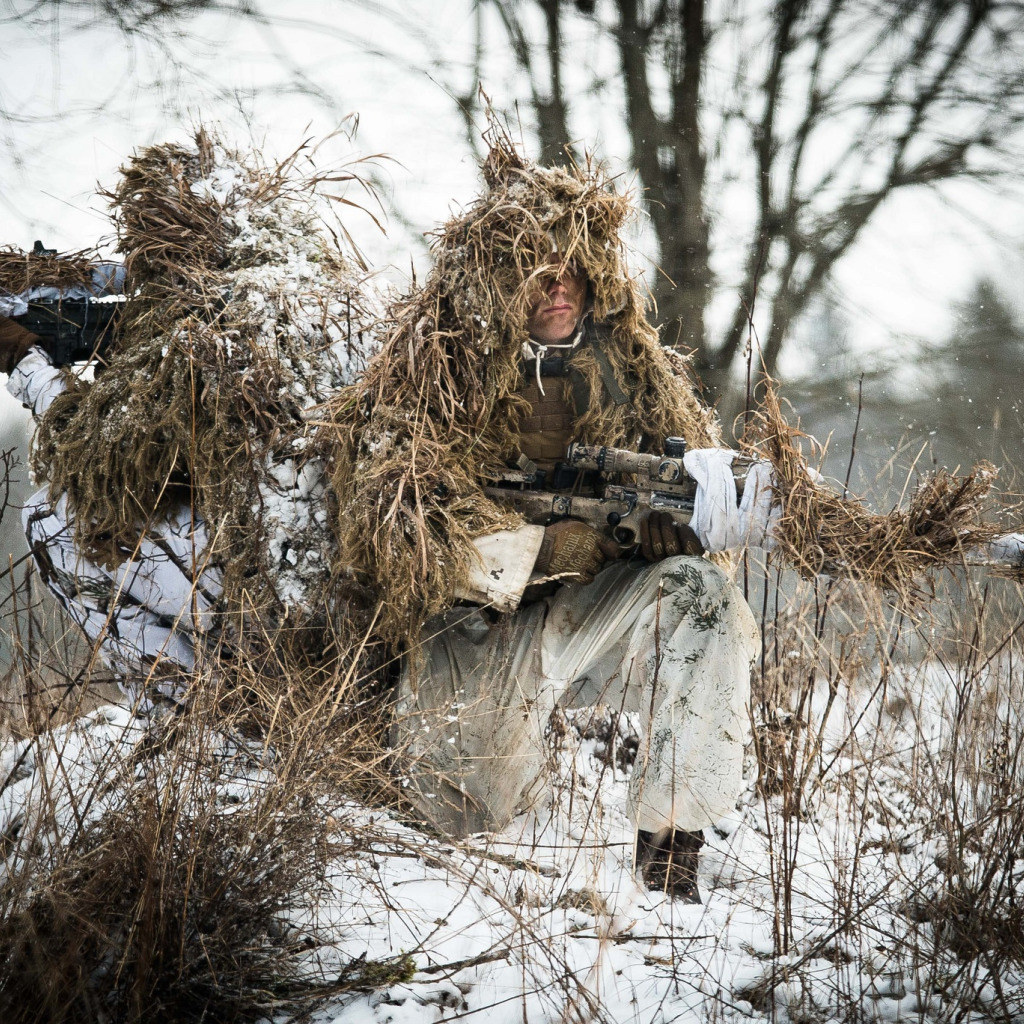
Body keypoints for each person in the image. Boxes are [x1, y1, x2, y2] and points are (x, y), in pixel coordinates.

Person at [329, 138, 771, 904]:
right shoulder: (439, 367)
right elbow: (390, 527)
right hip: (469, 635)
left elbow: (698, 502)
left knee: (702, 597)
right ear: (501, 280)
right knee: (466, 820)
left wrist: (673, 539)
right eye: (532, 268)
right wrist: (538, 551)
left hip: (591, 618)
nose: (555, 285)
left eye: (569, 263)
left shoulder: (637, 371)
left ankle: (671, 844)